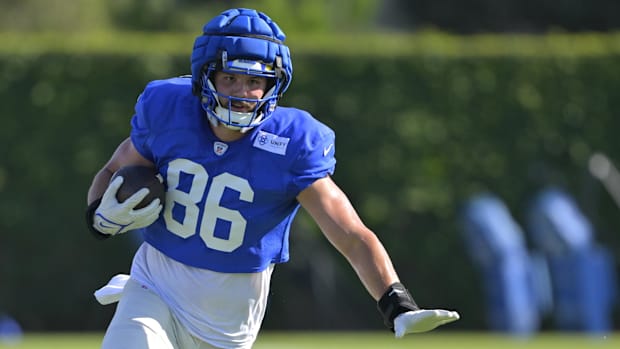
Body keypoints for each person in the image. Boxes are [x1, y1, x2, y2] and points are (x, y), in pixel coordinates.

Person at [85, 7, 459, 349]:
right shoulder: (168, 108)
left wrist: (395, 300)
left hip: (228, 322)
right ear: (205, 76)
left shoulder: (291, 142)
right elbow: (113, 169)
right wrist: (99, 216)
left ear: (273, 86)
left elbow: (349, 233)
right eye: (230, 77)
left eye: (254, 81)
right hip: (156, 287)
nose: (241, 93)